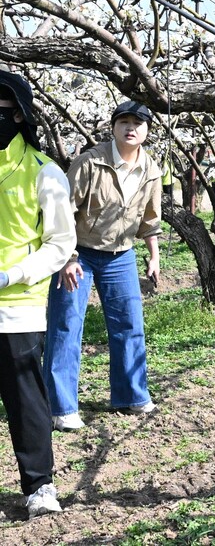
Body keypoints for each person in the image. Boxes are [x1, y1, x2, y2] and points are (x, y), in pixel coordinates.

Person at [44, 100, 163, 431]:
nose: (131, 128)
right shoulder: (89, 163)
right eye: (124, 121)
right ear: (113, 127)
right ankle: (61, 407)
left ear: (147, 130)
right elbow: (63, 212)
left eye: (138, 123)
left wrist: (153, 255)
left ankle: (132, 396)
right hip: (78, 252)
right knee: (66, 325)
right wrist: (66, 257)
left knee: (129, 324)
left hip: (121, 255)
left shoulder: (151, 169)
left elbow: (150, 218)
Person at [0, 71, 76, 518]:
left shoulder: (43, 171)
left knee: (26, 401)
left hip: (17, 308)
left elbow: (60, 243)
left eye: (4, 113)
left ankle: (40, 486)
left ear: (21, 117)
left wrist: (12, 276)